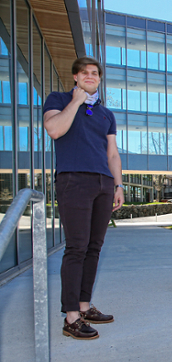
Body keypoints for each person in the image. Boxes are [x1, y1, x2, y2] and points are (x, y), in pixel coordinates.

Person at [43, 56, 124, 340]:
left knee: (94, 247)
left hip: (103, 183)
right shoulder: (59, 99)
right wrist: (76, 101)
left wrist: (119, 185)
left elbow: (112, 153)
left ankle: (85, 306)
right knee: (76, 247)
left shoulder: (106, 114)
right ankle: (71, 317)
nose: (91, 76)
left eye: (95, 73)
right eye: (85, 73)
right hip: (74, 180)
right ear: (76, 77)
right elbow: (54, 129)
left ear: (100, 79)